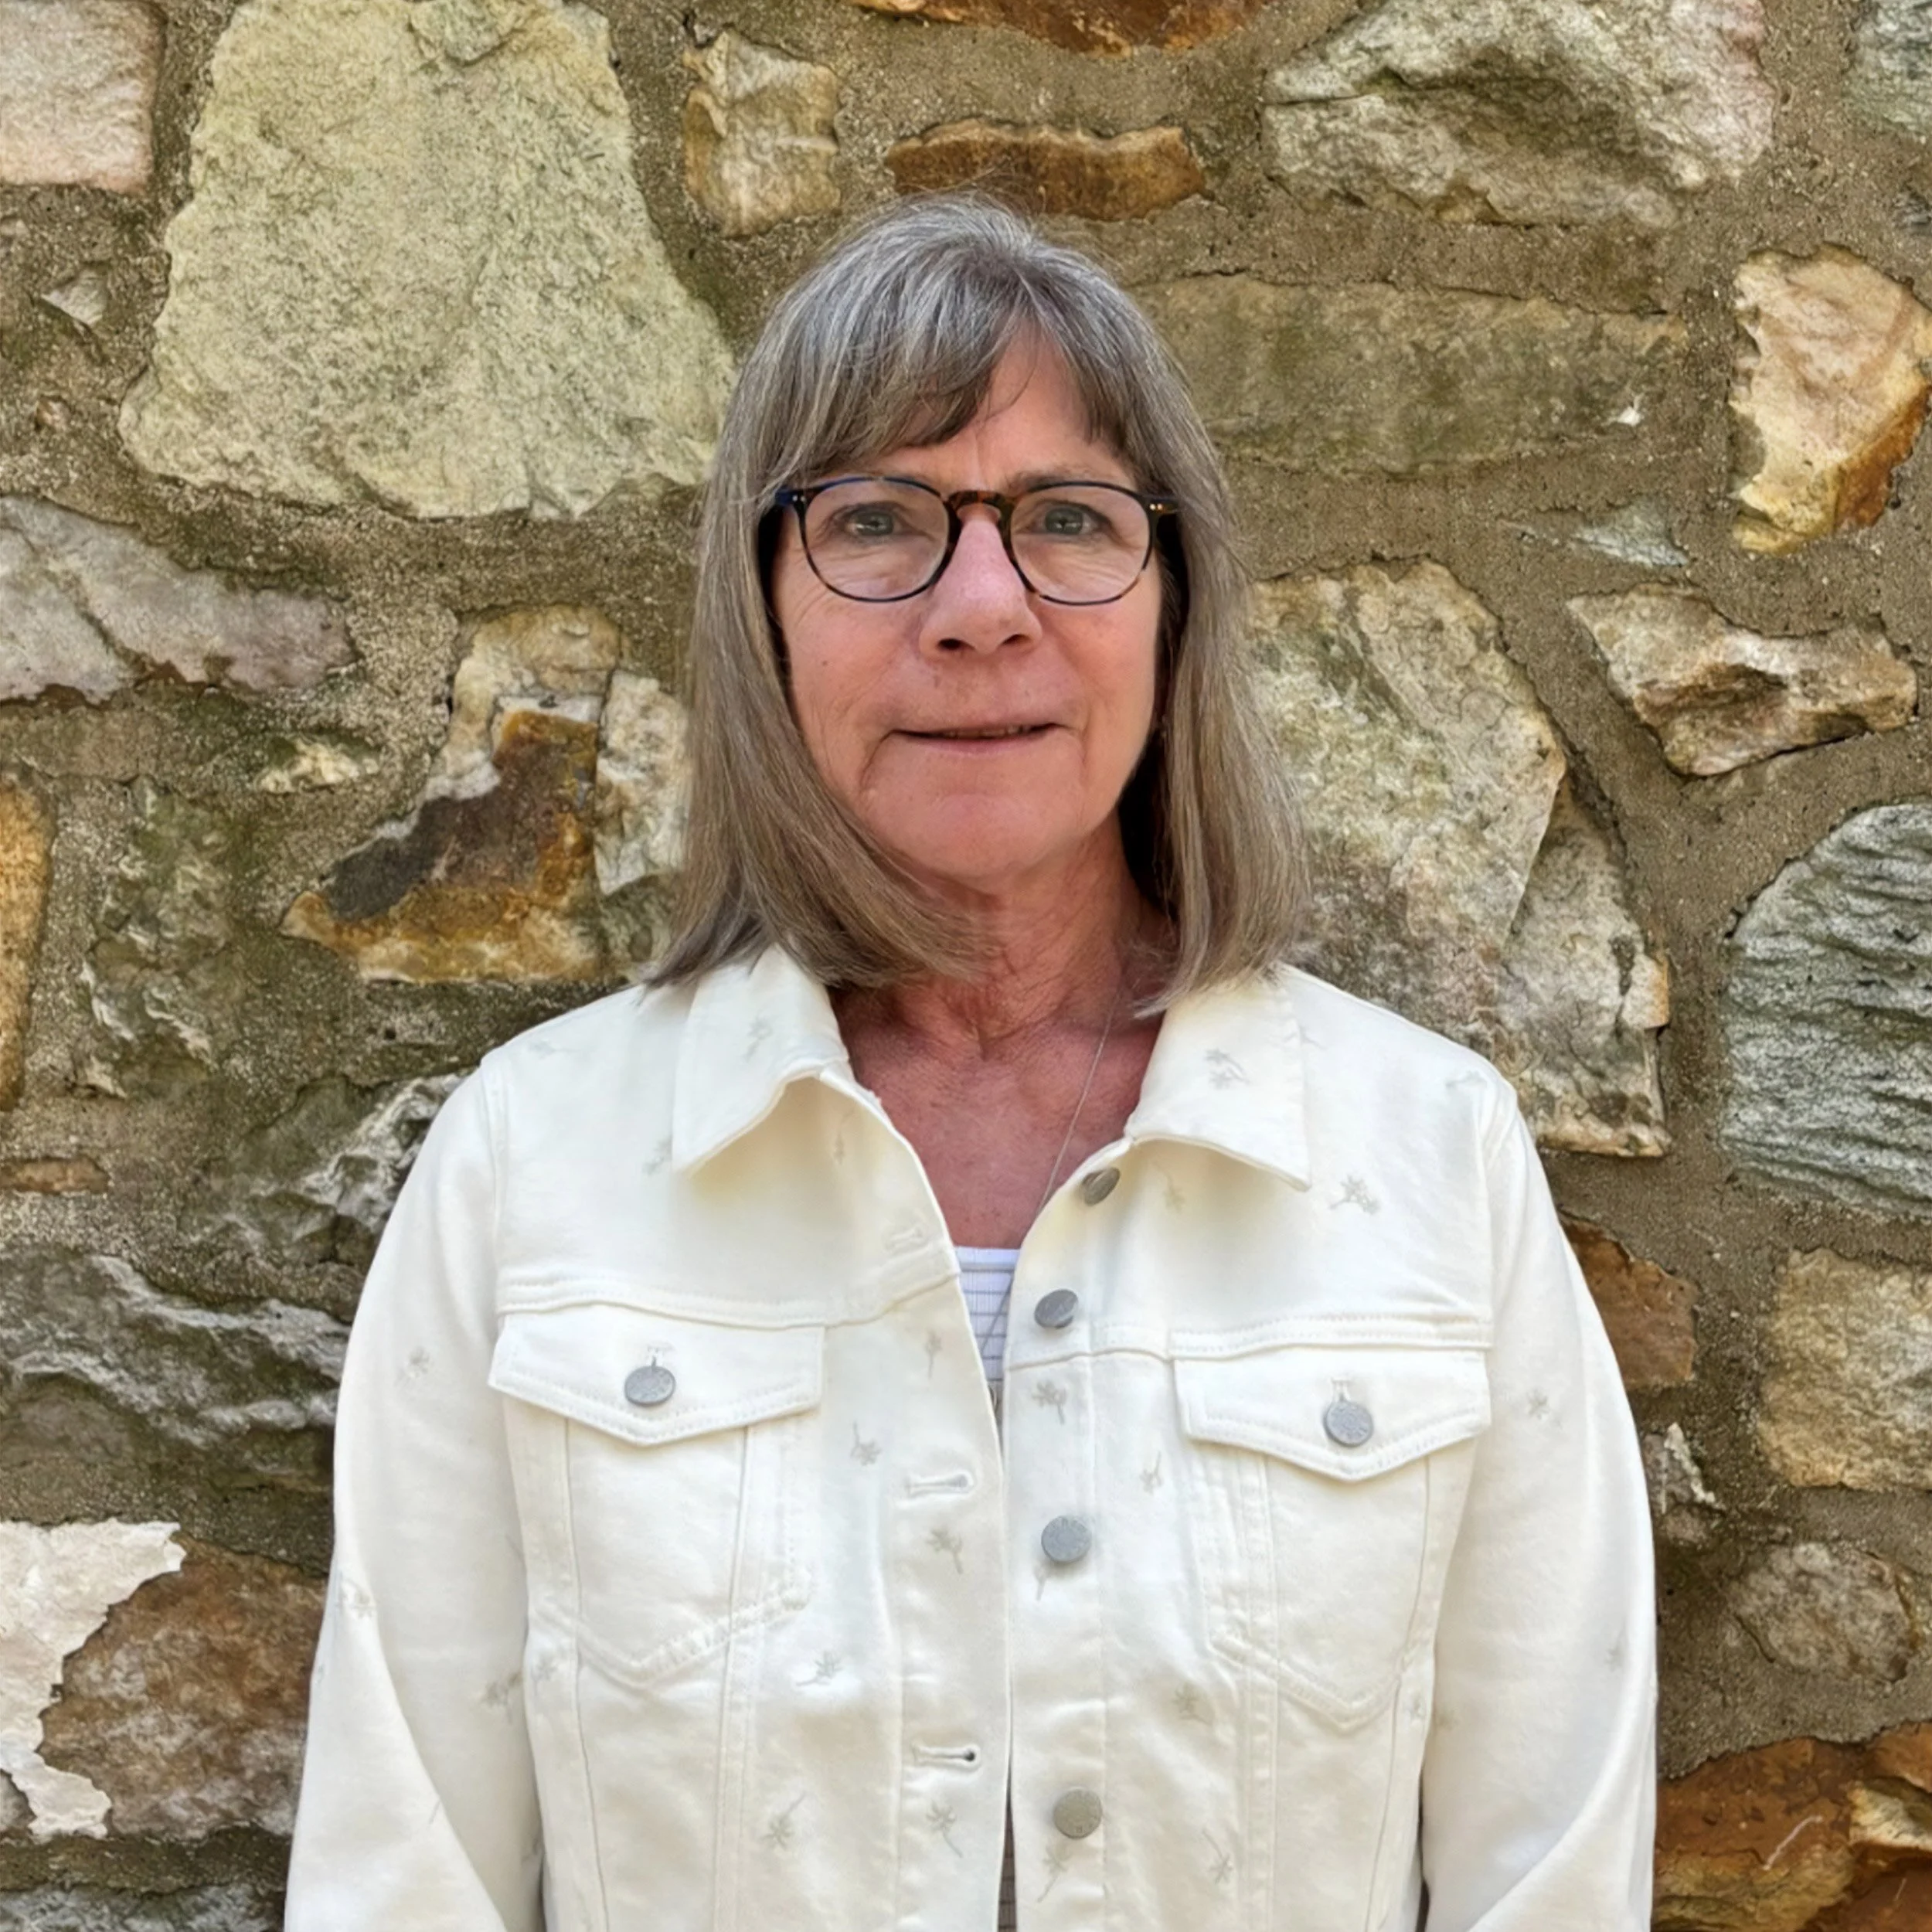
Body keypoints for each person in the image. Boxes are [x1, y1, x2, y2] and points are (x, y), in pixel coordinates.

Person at [284, 196, 1655, 1931]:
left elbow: (1550, 1867)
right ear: (758, 610)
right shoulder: (537, 1169)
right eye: (875, 521)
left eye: (1069, 521)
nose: (981, 606)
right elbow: (404, 1871)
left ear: (1172, 610)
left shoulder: (1424, 1160)